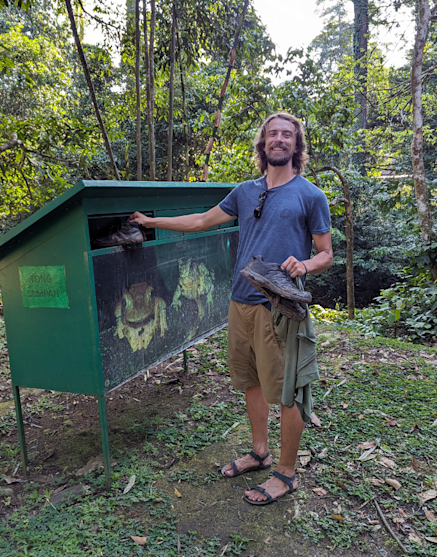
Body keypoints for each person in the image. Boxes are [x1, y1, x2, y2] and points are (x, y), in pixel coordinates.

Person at [129, 112, 332, 505]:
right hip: (241, 302)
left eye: (286, 135)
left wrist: (303, 265)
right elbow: (203, 220)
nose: (278, 140)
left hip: (280, 307)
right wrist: (151, 221)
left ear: (296, 145)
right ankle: (260, 452)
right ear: (263, 143)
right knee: (250, 380)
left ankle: (286, 474)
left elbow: (325, 254)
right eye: (272, 134)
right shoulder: (245, 191)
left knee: (288, 390)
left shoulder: (310, 195)